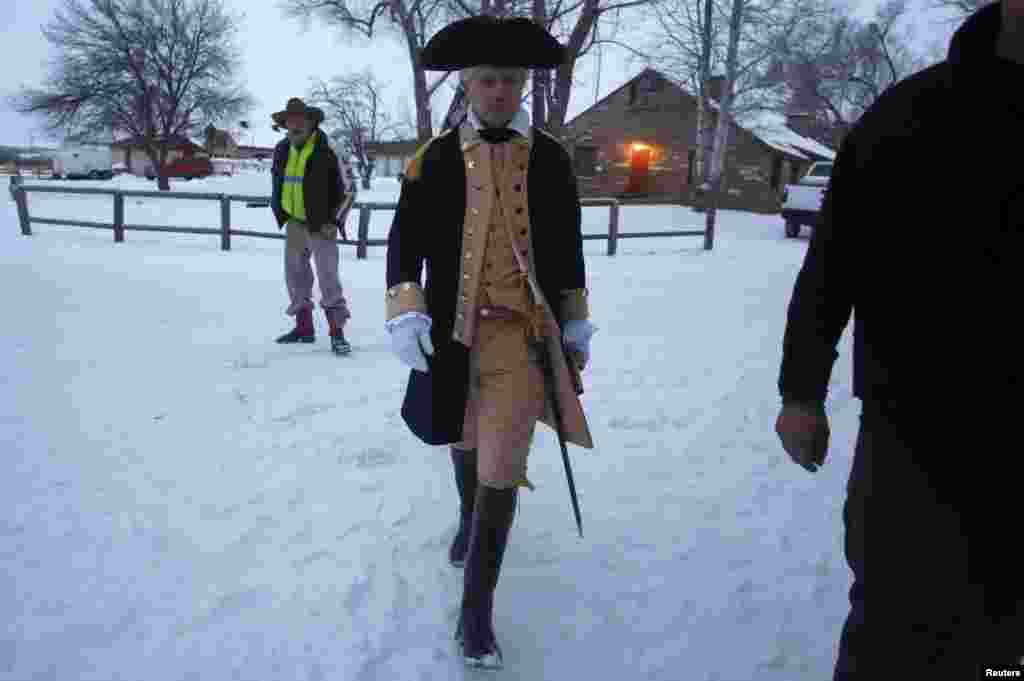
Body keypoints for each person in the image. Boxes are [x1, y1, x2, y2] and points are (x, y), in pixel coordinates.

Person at [775, 2, 1024, 678]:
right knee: (893, 625)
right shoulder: (910, 114)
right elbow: (832, 263)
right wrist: (801, 390)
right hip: (914, 431)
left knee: (1007, 646)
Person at [384, 15, 596, 670]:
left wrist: (575, 317)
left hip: (523, 336)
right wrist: (406, 309)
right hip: (453, 334)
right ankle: (464, 516)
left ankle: (476, 612)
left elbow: (567, 250)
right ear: (469, 86)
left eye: (510, 80)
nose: (499, 91)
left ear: (523, 85)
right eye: (486, 80)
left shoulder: (554, 160)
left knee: (503, 463)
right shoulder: (435, 158)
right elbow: (404, 243)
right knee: (465, 440)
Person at [270, 97, 355, 356]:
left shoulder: (330, 148)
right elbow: (279, 182)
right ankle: (304, 329)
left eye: (299, 120)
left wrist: (336, 221)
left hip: (322, 225)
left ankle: (337, 333)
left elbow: (350, 190)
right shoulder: (282, 148)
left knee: (328, 280)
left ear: (311, 122)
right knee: (295, 277)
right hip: (294, 223)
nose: (293, 125)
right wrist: (280, 209)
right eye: (289, 121)